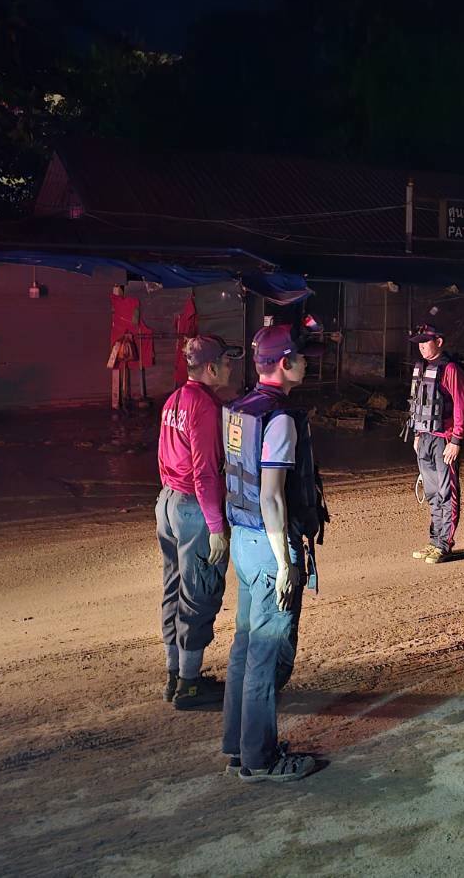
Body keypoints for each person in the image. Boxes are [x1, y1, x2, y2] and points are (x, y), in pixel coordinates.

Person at [220, 321, 329, 783]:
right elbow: (272, 497)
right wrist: (285, 562)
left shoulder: (241, 409)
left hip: (243, 541)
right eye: (302, 358)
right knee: (268, 658)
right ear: (285, 363)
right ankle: (260, 759)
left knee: (245, 649)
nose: (307, 364)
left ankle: (238, 747)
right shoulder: (279, 419)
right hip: (269, 547)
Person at [155, 333, 241, 709]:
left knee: (174, 589)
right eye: (226, 361)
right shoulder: (204, 405)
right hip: (194, 508)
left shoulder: (174, 400)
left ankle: (174, 676)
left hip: (168, 502)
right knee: (199, 592)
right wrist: (217, 527)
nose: (231, 367)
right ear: (211, 367)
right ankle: (190, 686)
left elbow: (164, 457)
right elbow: (205, 472)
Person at [406, 323, 464, 564]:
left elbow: (462, 406)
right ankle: (434, 541)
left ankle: (444, 544)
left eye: (426, 342)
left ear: (439, 342)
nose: (422, 347)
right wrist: (417, 434)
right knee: (432, 493)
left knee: (446, 492)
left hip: (445, 439)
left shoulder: (450, 369)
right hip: (425, 438)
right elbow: (417, 402)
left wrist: (456, 440)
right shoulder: (421, 367)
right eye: (419, 343)